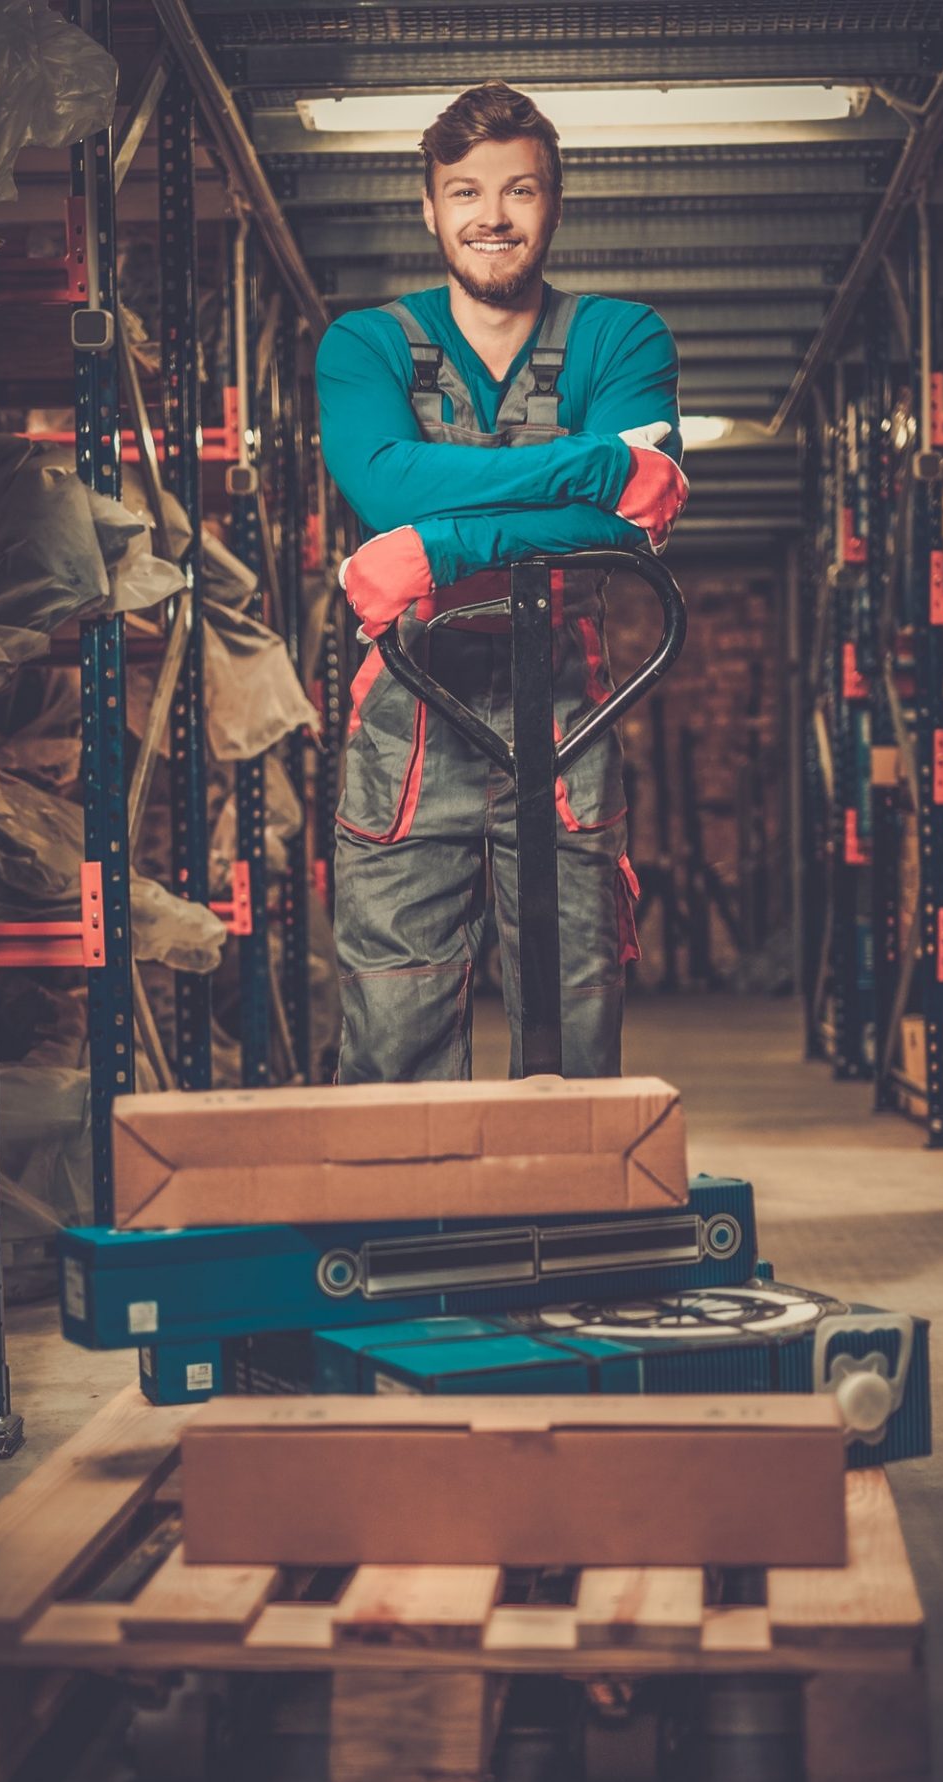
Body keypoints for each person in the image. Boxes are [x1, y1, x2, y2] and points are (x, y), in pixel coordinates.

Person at [316, 81, 687, 1083]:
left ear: (553, 204)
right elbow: (379, 480)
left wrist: (429, 546)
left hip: (563, 718)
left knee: (571, 1037)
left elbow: (631, 531)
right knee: (392, 1042)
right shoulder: (365, 344)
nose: (490, 215)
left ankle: (560, 1240)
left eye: (518, 191)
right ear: (427, 207)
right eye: (464, 191)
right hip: (409, 722)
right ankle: (409, 1244)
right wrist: (594, 468)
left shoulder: (622, 336)